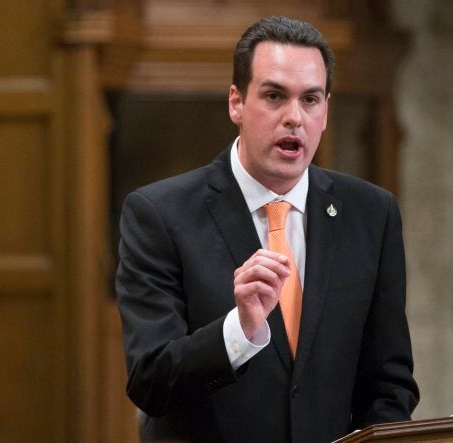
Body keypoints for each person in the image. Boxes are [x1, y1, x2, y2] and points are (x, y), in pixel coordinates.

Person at [116, 16, 419, 443]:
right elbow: (150, 381)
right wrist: (239, 331)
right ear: (236, 103)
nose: (294, 118)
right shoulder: (159, 215)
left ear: (326, 110)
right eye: (275, 96)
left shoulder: (372, 213)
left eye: (310, 99)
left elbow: (388, 382)